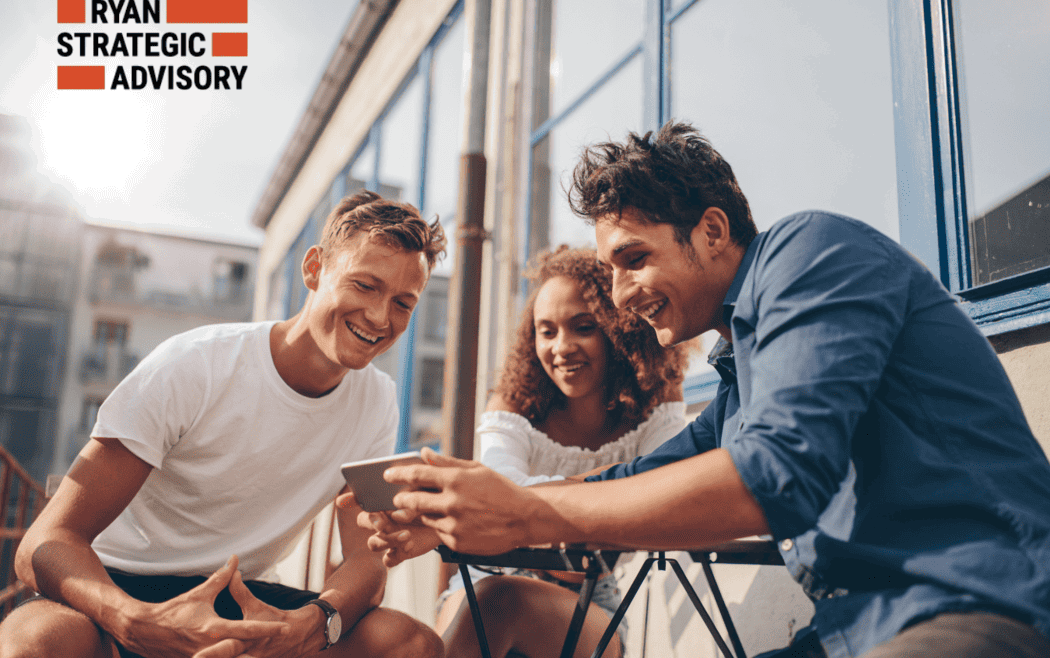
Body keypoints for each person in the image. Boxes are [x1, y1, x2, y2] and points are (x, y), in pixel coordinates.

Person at [355, 122, 1050, 658]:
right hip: (853, 629)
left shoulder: (812, 253)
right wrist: (466, 516)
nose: (622, 297)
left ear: (712, 231)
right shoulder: (742, 377)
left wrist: (524, 518)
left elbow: (774, 476)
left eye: (634, 259)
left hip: (980, 604)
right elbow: (626, 481)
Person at [0, 191, 446, 658]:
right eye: (365, 285)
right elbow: (43, 543)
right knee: (34, 643)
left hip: (241, 596)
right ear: (314, 268)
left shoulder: (377, 402)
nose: (380, 317)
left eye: (403, 303)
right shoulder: (196, 364)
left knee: (408, 644)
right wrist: (133, 620)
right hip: (116, 585)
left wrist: (316, 623)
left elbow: (364, 555)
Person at [367, 245, 688, 658]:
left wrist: (514, 506)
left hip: (590, 591)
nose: (562, 347)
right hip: (486, 575)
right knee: (491, 597)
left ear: (619, 328)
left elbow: (664, 485)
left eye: (583, 326)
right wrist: (612, 487)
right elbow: (503, 486)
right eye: (547, 331)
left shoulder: (655, 399)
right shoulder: (513, 403)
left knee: (499, 602)